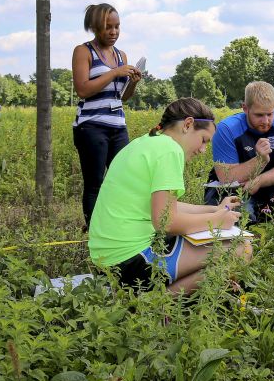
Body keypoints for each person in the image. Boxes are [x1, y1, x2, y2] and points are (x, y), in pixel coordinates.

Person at [88, 98, 249, 293]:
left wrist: (215, 209)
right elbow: (166, 222)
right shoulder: (169, 150)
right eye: (204, 140)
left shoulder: (143, 143)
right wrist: (217, 220)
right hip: (131, 259)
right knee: (242, 248)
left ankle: (156, 297)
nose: (202, 149)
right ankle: (157, 306)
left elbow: (164, 207)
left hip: (106, 258)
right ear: (188, 124)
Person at [72, 2, 143, 227]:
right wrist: (114, 73)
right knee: (95, 182)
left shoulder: (121, 55)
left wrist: (132, 82)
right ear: (94, 27)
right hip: (91, 126)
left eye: (117, 27)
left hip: (117, 125)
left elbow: (121, 97)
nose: (113, 32)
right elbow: (83, 89)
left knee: (122, 179)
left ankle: (115, 225)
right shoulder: (83, 51)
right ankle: (93, 230)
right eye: (107, 27)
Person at [205, 81, 274, 223]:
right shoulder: (227, 129)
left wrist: (260, 180)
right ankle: (252, 222)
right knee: (236, 217)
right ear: (245, 108)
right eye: (259, 115)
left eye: (270, 114)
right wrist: (261, 160)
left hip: (268, 181)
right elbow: (226, 177)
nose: (266, 121)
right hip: (233, 187)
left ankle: (269, 220)